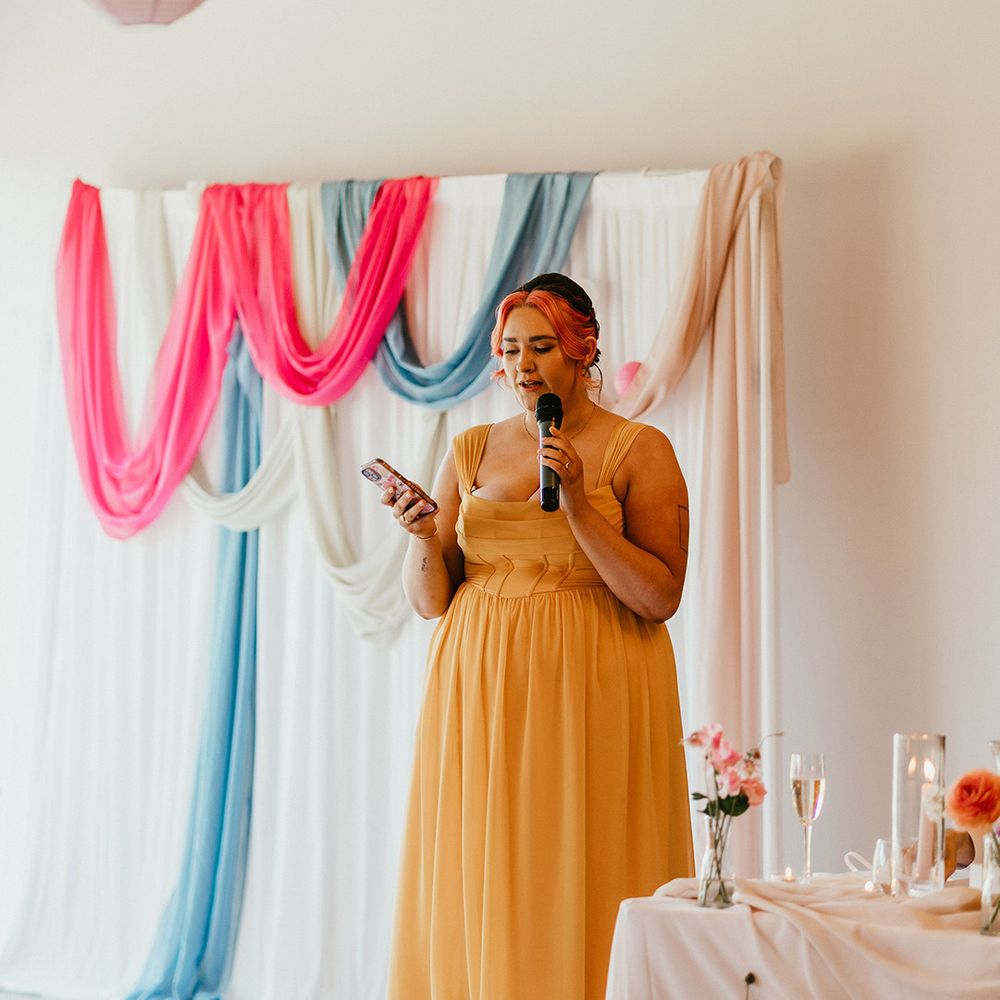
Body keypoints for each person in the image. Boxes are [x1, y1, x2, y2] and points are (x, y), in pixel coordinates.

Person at [384, 273, 694, 1000]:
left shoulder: (639, 449)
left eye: (542, 347)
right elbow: (432, 601)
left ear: (583, 350)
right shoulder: (469, 448)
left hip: (594, 686)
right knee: (487, 862)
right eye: (511, 349)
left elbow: (662, 596)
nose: (523, 365)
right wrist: (425, 536)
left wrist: (582, 508)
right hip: (480, 690)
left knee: (580, 857)